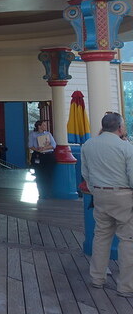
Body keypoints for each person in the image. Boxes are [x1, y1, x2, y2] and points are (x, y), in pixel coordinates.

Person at [81, 112, 133, 297]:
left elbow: (85, 174)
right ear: (119, 127)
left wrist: (96, 190)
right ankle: (126, 286)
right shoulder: (126, 147)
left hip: (100, 195)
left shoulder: (88, 145)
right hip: (123, 195)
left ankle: (97, 278)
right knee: (128, 239)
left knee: (101, 236)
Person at [28, 119, 57, 199]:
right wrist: (38, 150)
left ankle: (48, 192)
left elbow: (53, 145)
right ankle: (41, 193)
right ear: (39, 126)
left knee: (48, 174)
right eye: (44, 125)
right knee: (39, 175)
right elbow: (30, 145)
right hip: (39, 156)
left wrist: (45, 148)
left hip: (48, 155)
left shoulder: (48, 134)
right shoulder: (33, 135)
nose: (45, 126)